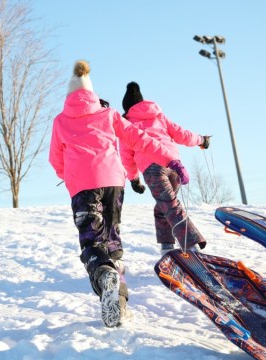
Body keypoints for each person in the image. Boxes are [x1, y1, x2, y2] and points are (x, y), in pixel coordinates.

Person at [49, 61, 176, 327]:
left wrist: (68, 176)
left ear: (69, 95)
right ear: (92, 93)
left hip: (84, 187)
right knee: (112, 240)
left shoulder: (60, 121)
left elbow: (55, 159)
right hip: (113, 183)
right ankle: (118, 304)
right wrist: (170, 158)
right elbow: (139, 138)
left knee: (93, 240)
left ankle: (103, 273)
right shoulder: (108, 114)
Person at [120, 81, 211, 255]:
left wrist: (134, 179)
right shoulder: (158, 116)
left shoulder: (127, 125)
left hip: (153, 169)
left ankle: (192, 246)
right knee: (164, 205)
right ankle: (167, 246)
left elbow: (126, 156)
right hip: (173, 166)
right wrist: (201, 139)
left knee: (170, 206)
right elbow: (182, 134)